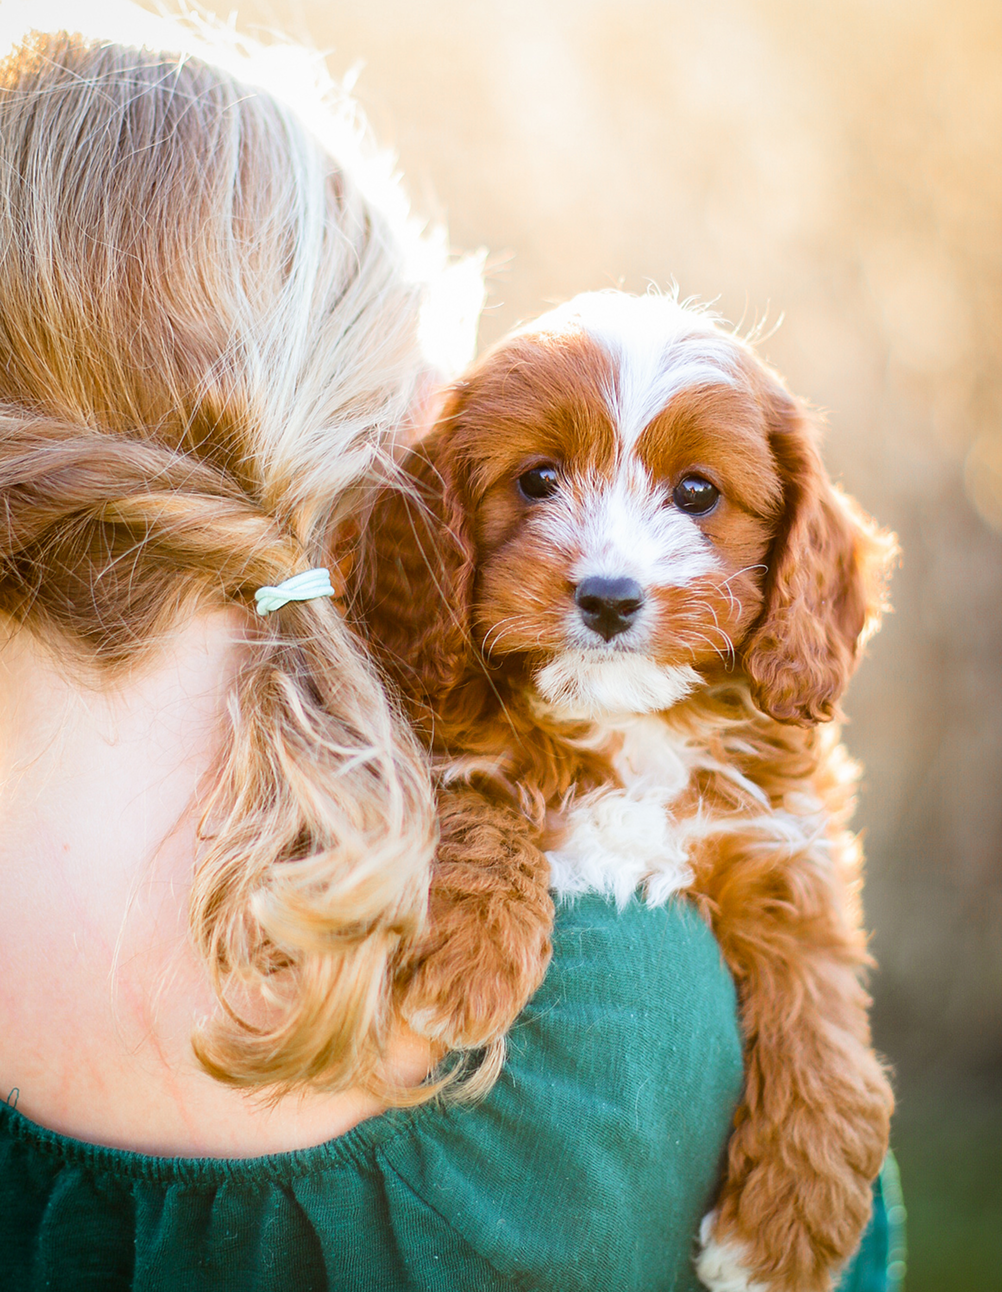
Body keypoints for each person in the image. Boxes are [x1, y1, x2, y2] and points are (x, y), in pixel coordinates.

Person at [0, 13, 901, 1290]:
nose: (607, 557)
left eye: (694, 498)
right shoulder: (618, 1006)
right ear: (383, 451)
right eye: (530, 480)